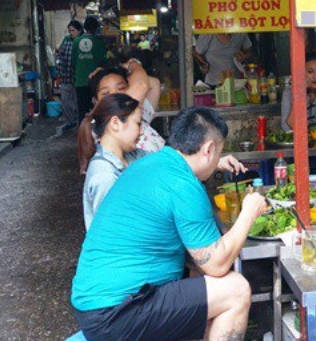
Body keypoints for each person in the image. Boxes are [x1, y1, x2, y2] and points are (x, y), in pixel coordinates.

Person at [71, 107, 265, 341]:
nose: (216, 163)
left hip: (93, 305)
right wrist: (249, 212)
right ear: (209, 149)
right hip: (115, 314)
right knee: (236, 290)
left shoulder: (152, 163)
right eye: (218, 154)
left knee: (200, 285)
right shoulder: (183, 185)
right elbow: (216, 264)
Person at [77, 59, 164, 174]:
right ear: (97, 101)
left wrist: (119, 69)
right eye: (105, 93)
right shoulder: (107, 122)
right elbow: (142, 85)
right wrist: (132, 64)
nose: (115, 94)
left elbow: (153, 83)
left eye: (121, 88)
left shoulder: (136, 113)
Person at [77, 93, 145, 230]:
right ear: (115, 123)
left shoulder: (133, 156)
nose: (142, 132)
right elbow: (112, 231)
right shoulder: (104, 175)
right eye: (138, 123)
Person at [72, 15, 107, 122]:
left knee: (82, 110)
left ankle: (83, 134)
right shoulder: (99, 42)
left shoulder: (77, 41)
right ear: (96, 28)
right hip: (96, 82)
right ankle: (98, 133)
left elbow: (73, 62)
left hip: (80, 81)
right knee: (98, 108)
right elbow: (103, 63)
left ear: (85, 27)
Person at [57, 20, 83, 129]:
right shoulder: (67, 40)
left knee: (77, 103)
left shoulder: (82, 41)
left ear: (79, 30)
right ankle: (70, 122)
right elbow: (60, 52)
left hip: (77, 79)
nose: (71, 33)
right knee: (66, 102)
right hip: (65, 77)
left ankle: (79, 123)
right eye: (70, 31)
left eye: (73, 30)